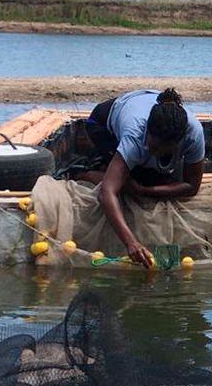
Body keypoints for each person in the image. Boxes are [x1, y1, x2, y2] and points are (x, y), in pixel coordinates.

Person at [81, 89, 205, 268]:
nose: (154, 151)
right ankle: (88, 172)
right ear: (148, 131)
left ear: (178, 143)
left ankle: (128, 170)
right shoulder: (135, 134)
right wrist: (131, 242)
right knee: (124, 182)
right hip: (100, 123)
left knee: (149, 183)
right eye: (152, 146)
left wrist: (145, 190)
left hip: (145, 130)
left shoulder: (194, 134)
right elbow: (106, 193)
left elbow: (192, 186)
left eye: (161, 150)